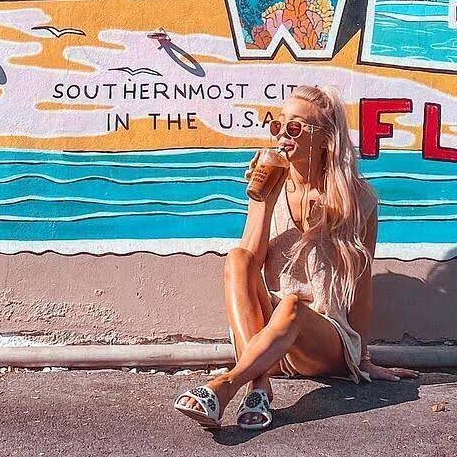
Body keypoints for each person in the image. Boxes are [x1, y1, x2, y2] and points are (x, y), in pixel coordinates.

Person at [173, 84, 417, 431]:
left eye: (295, 127)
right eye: (278, 125)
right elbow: (251, 262)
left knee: (292, 306)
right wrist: (263, 201)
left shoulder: (359, 200)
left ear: (325, 139)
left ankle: (226, 386)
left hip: (325, 340)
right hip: (269, 341)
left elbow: (362, 287)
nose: (282, 136)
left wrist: (362, 361)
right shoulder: (270, 181)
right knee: (236, 259)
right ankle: (259, 386)